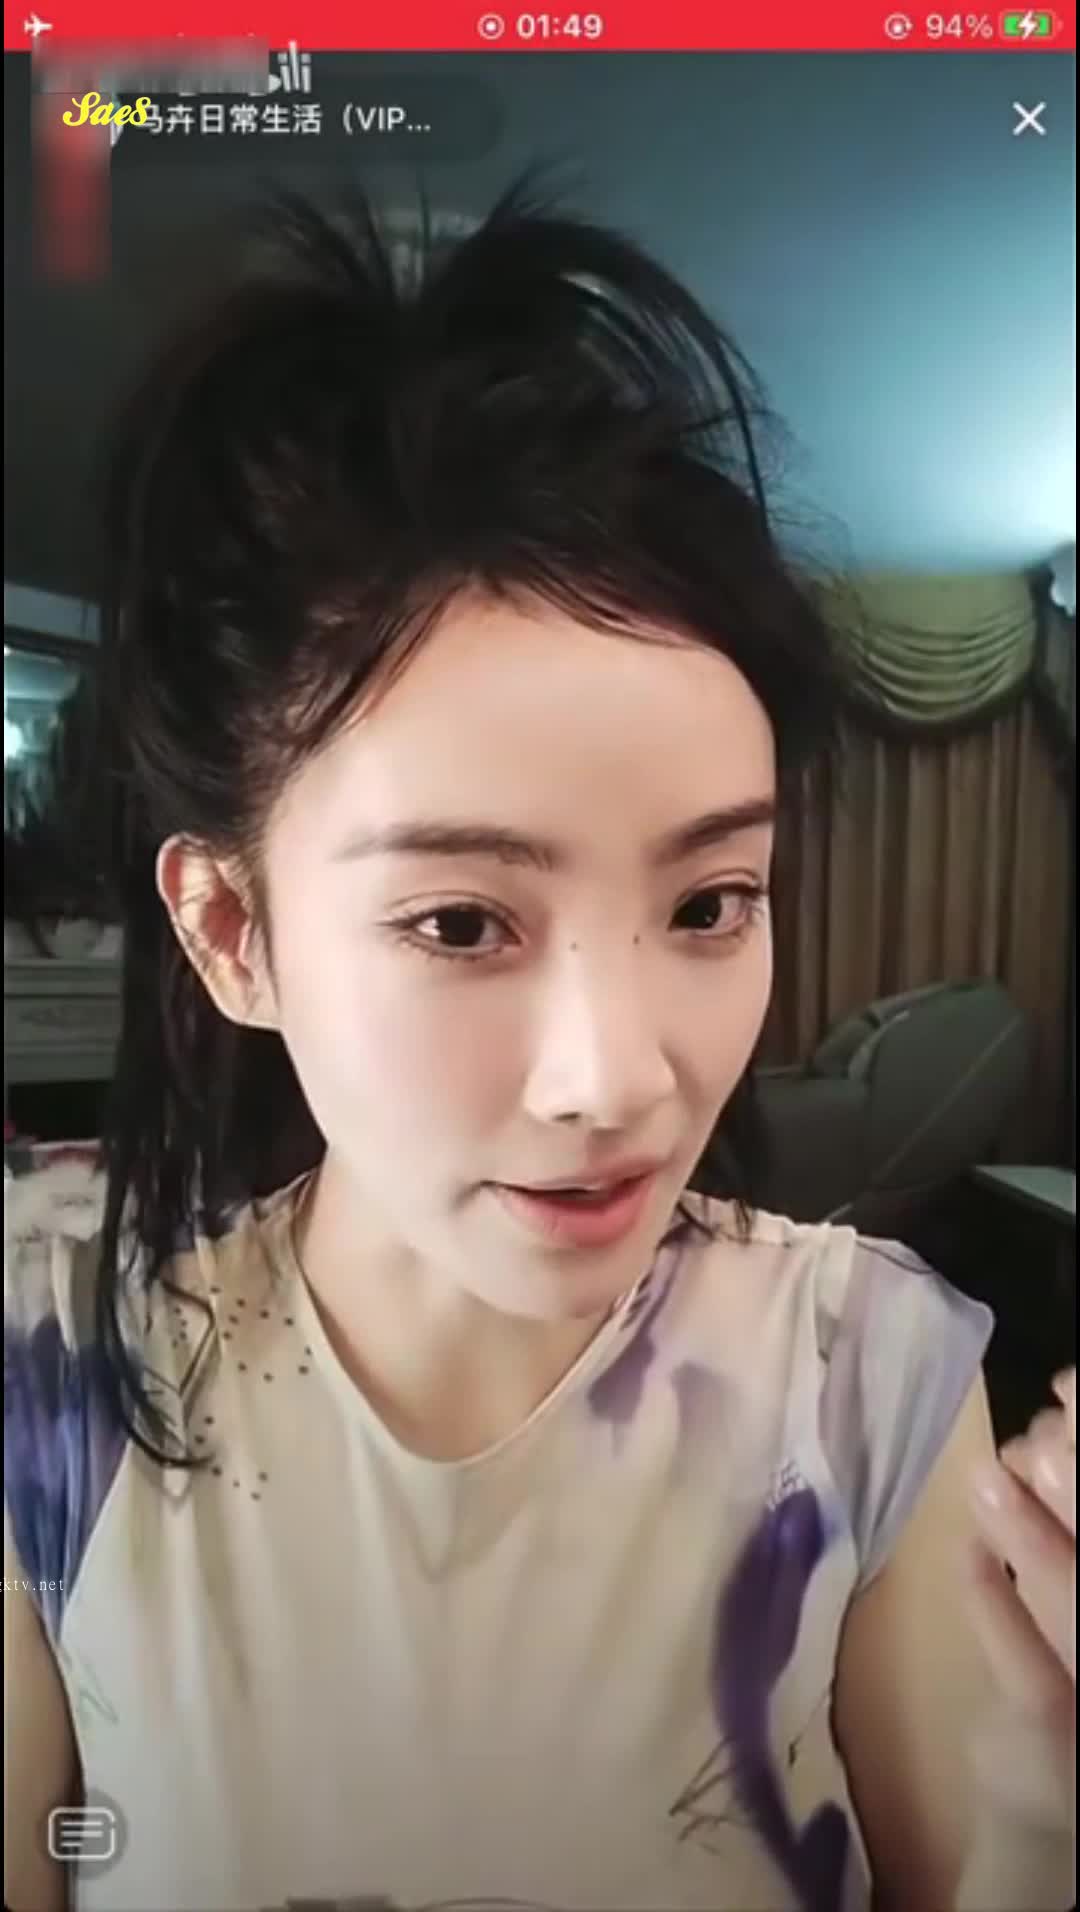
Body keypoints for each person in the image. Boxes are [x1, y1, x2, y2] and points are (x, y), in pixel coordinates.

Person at [3, 180, 1075, 1912]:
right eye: (459, 924)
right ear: (232, 932)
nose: (621, 1078)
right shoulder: (53, 1382)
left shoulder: (866, 1376)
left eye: (711, 902)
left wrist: (1047, 1820)